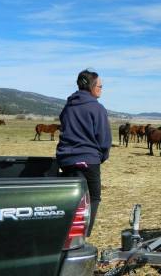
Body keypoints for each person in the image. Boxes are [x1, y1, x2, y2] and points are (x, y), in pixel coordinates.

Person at [56, 69, 112, 236]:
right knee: (93, 198)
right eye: (100, 86)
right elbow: (104, 139)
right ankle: (81, 236)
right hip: (88, 160)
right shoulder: (97, 108)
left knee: (71, 199)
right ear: (92, 87)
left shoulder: (68, 106)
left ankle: (64, 234)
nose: (101, 89)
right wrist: (101, 156)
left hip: (66, 160)